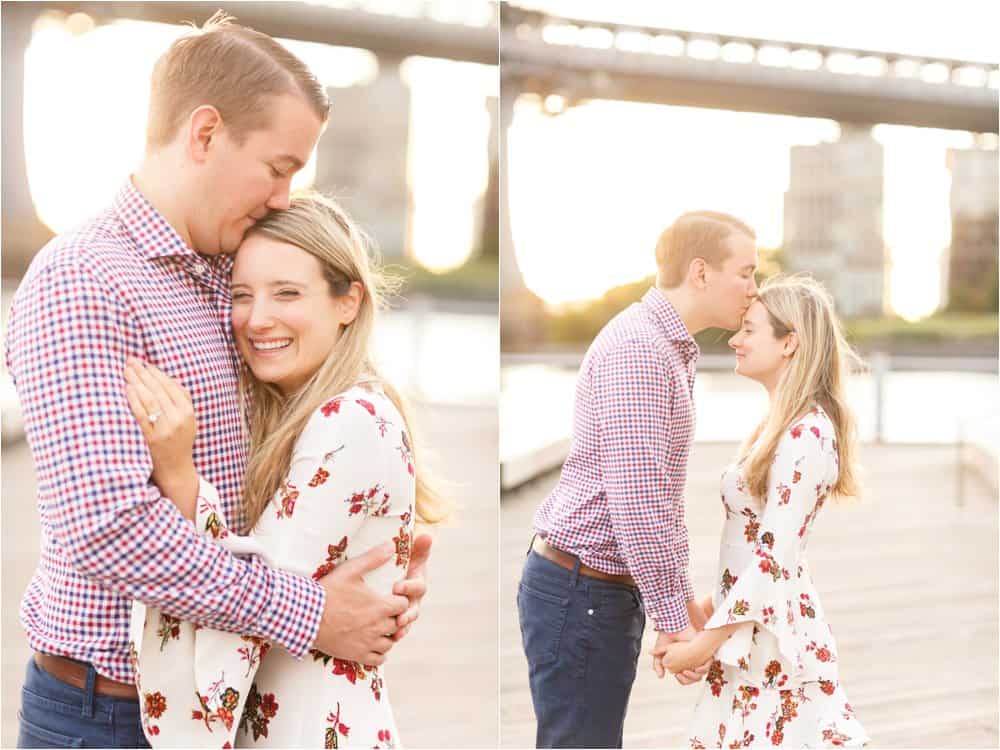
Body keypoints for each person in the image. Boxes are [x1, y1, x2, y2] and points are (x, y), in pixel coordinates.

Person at [5, 15, 430, 749]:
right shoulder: (84, 280)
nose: (283, 195)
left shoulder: (232, 272)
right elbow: (110, 530)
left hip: (229, 696)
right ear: (204, 134)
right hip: (114, 714)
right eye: (277, 166)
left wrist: (367, 574)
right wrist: (313, 612)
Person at [123, 191, 450, 747]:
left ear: (348, 301)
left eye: (287, 294)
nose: (258, 319)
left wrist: (178, 475)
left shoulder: (350, 419)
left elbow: (255, 596)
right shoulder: (298, 411)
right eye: (241, 295)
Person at [517, 211, 759, 748]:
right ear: (700, 272)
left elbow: (659, 499)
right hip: (582, 591)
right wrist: (674, 624)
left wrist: (682, 600)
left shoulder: (666, 346)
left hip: (597, 589)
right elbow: (639, 505)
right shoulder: (641, 351)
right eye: (745, 272)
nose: (753, 287)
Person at [662, 275, 870, 748]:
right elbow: (752, 547)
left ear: (789, 342)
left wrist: (703, 643)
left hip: (777, 642)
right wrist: (699, 616)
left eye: (750, 329)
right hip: (748, 634)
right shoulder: (774, 428)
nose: (734, 339)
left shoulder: (808, 435)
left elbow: (775, 557)